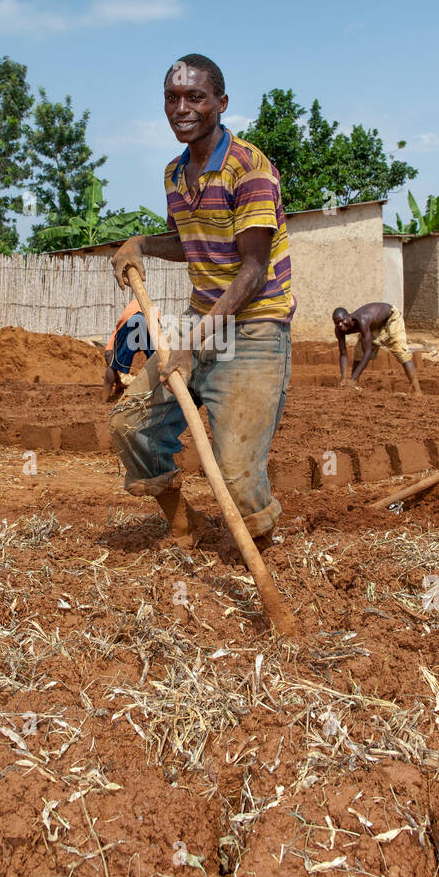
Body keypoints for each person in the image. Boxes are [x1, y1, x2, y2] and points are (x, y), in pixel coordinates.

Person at [108, 53, 294, 551]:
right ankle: (184, 522)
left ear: (221, 103)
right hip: (201, 322)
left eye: (195, 97)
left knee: (234, 468)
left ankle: (260, 544)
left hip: (254, 329)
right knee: (132, 423)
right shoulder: (174, 174)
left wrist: (191, 345)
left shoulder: (249, 168)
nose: (182, 108)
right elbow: (186, 241)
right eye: (173, 97)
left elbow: (253, 271)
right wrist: (141, 244)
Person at [332, 302, 421, 394]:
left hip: (390, 319)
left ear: (348, 316)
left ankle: (418, 392)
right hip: (373, 326)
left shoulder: (361, 320)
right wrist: (343, 378)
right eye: (337, 323)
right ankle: (353, 387)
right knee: (359, 353)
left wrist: (352, 378)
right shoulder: (339, 330)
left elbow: (368, 353)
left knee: (401, 352)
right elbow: (343, 354)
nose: (340, 325)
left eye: (342, 320)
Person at [103, 301, 154, 402]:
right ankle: (157, 395)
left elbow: (108, 353)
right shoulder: (151, 307)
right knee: (157, 360)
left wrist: (115, 371)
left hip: (131, 320)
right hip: (151, 320)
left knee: (113, 364)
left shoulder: (122, 325)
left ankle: (103, 399)